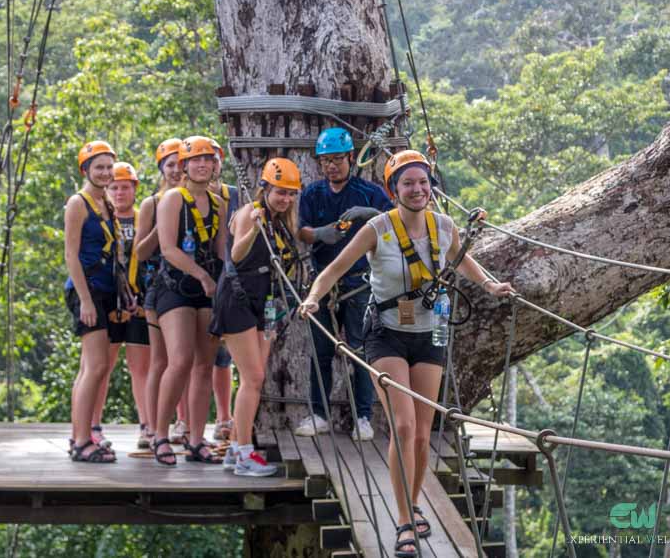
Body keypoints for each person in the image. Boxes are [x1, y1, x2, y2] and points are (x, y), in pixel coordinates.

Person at [298, 150, 513, 556]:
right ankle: (402, 521)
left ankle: (413, 504)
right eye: (408, 183)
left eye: (422, 182)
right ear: (393, 190)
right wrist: (312, 299)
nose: (417, 190)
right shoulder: (377, 229)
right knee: (404, 426)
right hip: (386, 335)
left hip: (429, 335)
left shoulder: (444, 227)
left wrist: (491, 286)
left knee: (422, 434)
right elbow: (334, 269)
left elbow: (465, 262)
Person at [294, 127, 392, 441]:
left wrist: (371, 214)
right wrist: (322, 233)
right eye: (325, 161)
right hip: (322, 282)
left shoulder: (369, 193)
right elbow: (303, 231)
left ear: (351, 158)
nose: (331, 166)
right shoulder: (313, 193)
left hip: (359, 283)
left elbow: (394, 224)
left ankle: (362, 416)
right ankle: (319, 414)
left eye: (337, 159)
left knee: (360, 351)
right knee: (321, 351)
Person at [210, 157, 302, 477]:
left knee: (252, 378)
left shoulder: (280, 219)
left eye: (291, 193)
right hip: (236, 300)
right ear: (265, 188)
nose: (286, 199)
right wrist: (254, 229)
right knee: (253, 379)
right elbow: (235, 254)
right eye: (280, 192)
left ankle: (236, 449)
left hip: (262, 303)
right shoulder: (251, 212)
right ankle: (244, 452)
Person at [151, 136, 227, 467]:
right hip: (175, 285)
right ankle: (160, 434)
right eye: (196, 160)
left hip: (206, 286)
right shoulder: (171, 200)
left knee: (204, 365)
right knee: (180, 359)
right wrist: (202, 276)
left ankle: (197, 439)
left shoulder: (218, 204)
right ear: (184, 166)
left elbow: (221, 250)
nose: (202, 165)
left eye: (208, 160)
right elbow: (168, 249)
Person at [64, 141, 133, 463]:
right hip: (87, 290)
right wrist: (85, 300)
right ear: (86, 170)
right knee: (95, 367)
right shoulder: (78, 204)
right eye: (99, 167)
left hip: (106, 289)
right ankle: (81, 440)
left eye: (109, 167)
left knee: (93, 367)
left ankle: (84, 434)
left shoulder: (104, 201)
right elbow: (71, 255)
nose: (105, 173)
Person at [134, 138, 192, 449]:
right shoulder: (151, 204)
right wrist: (161, 227)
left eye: (180, 164)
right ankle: (153, 427)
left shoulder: (194, 200)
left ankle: (180, 423)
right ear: (161, 169)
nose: (175, 170)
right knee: (161, 360)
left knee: (184, 361)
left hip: (188, 288)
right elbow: (140, 252)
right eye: (169, 165)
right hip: (158, 286)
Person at [89, 161, 151, 450]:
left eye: (125, 187)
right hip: (109, 302)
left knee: (142, 369)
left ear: (134, 188)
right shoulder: (101, 219)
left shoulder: (144, 219)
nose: (119, 192)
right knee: (101, 366)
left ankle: (147, 426)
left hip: (138, 303)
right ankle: (93, 425)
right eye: (114, 187)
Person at [206, 138, 239, 441]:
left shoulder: (234, 195)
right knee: (199, 354)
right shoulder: (184, 198)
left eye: (213, 160)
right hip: (199, 280)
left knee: (226, 355)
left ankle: (226, 417)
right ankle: (187, 422)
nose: (209, 166)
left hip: (231, 277)